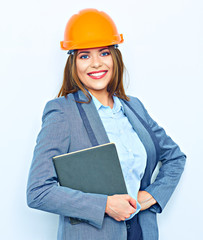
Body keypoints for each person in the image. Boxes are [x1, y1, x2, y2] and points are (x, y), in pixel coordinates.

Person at [26, 8, 186, 240]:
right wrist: (104, 205)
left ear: (115, 57)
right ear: (73, 63)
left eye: (103, 53)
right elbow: (38, 192)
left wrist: (152, 195)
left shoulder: (134, 107)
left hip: (141, 232)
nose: (96, 64)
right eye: (84, 56)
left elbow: (175, 157)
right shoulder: (62, 111)